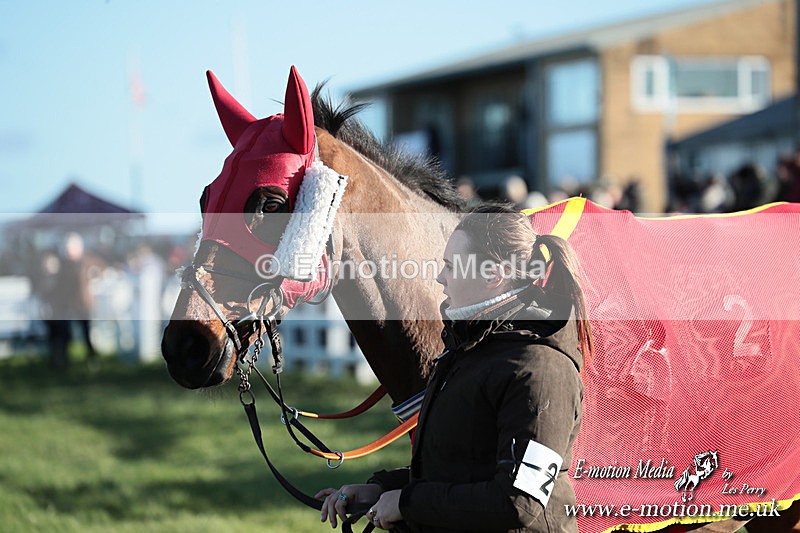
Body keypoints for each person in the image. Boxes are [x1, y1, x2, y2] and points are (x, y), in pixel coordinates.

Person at [316, 204, 592, 532]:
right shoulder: (469, 349)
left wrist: (407, 503)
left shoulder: (543, 371)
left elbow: (521, 502)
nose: (440, 277)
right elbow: (458, 468)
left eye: (452, 265)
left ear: (494, 275)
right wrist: (382, 490)